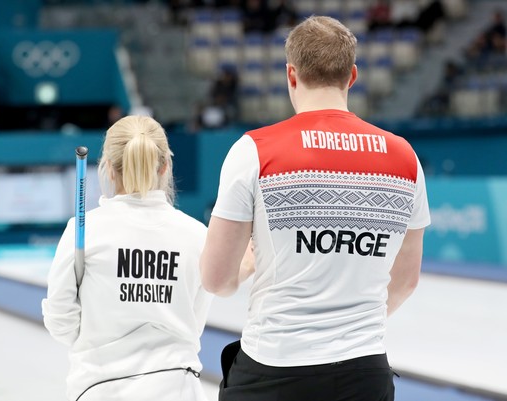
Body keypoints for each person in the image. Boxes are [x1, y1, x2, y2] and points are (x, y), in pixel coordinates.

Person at [200, 15, 431, 401]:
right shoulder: (404, 157)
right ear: (352, 76)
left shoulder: (255, 151)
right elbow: (405, 280)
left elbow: (216, 280)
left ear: (291, 75)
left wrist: (248, 265)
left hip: (275, 368)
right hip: (365, 369)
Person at [42, 115, 212, 401]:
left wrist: (98, 340)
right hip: (180, 389)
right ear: (166, 166)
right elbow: (193, 323)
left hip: (101, 388)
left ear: (107, 167)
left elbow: (60, 320)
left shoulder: (85, 230)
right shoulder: (197, 235)